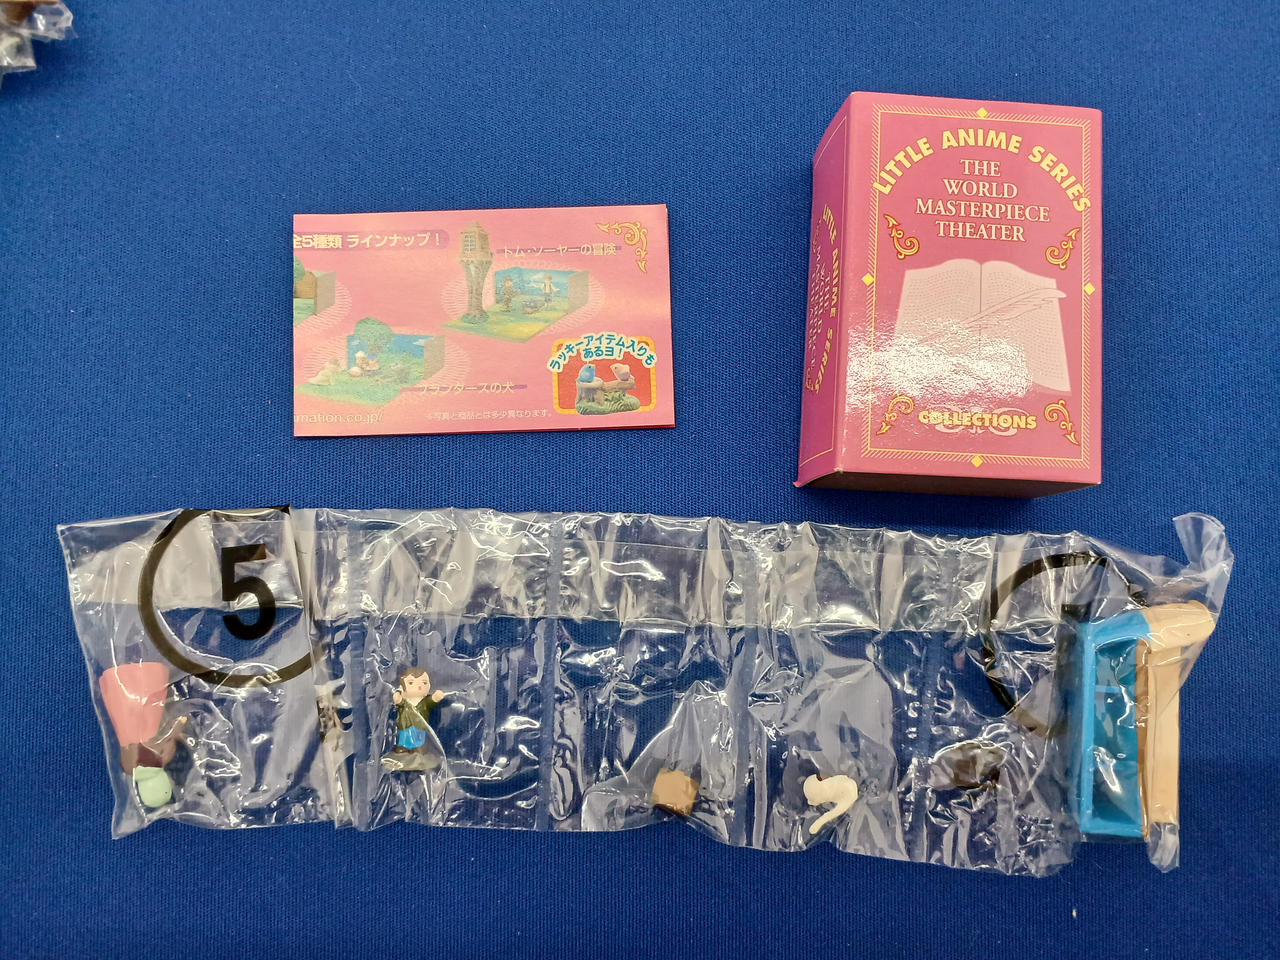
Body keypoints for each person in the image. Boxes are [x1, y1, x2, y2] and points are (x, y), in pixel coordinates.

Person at [391, 667, 444, 754]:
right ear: (401, 687)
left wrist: (436, 697)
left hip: (419, 727)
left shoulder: (425, 702)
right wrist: (397, 695)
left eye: (424, 683)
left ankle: (418, 748)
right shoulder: (404, 702)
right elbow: (398, 701)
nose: (419, 686)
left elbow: (431, 701)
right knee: (404, 738)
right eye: (411, 683)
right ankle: (403, 747)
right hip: (405, 727)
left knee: (419, 739)